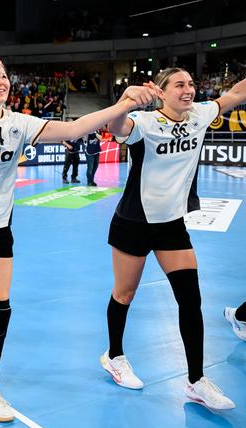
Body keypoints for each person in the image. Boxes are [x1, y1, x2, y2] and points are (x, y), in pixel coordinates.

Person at [0, 63, 159, 423]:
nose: (0, 81)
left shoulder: (21, 123)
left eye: (4, 77)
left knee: (1, 308)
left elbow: (77, 127)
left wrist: (123, 104)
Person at [103, 67, 246, 410]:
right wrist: (126, 101)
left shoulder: (200, 114)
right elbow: (116, 127)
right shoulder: (144, 122)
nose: (188, 89)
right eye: (179, 85)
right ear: (161, 92)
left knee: (190, 299)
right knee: (124, 294)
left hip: (171, 225)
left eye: (191, 84)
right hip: (133, 222)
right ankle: (114, 356)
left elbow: (238, 93)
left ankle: (196, 381)